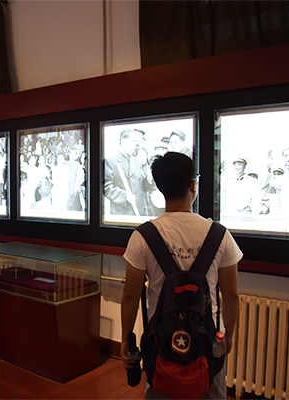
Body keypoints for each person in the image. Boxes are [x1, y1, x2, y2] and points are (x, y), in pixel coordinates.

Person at [120, 152, 242, 399]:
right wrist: (228, 335)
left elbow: (130, 295)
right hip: (207, 343)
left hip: (161, 343)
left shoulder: (142, 236)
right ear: (193, 185)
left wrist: (125, 339)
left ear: (159, 188)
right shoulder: (220, 235)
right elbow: (231, 295)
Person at [104, 129, 149, 216]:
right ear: (123, 141)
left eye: (136, 143)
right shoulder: (111, 160)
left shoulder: (135, 161)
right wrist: (125, 196)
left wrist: (149, 181)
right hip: (124, 213)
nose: (135, 146)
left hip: (140, 211)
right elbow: (106, 187)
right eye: (132, 142)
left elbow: (141, 186)